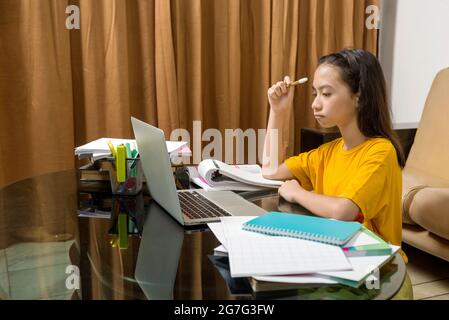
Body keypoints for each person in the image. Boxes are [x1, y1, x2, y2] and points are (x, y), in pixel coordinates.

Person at [262, 48, 407, 262]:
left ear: (359, 96)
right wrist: (278, 111)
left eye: (326, 93)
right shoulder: (328, 151)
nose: (315, 103)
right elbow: (271, 170)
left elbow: (343, 212)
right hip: (334, 253)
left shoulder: (381, 151)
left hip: (375, 261)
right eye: (315, 93)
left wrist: (296, 193)